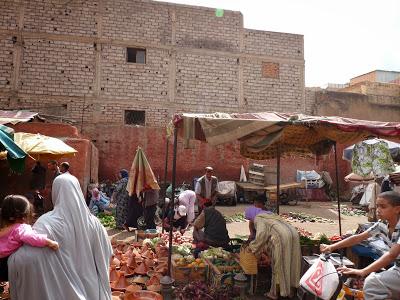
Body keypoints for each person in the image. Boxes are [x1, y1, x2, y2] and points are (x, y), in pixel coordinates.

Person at [8, 172, 112, 300]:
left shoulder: (47, 222)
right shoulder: (95, 223)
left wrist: (13, 258)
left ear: (56, 192)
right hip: (93, 289)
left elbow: (29, 258)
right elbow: (107, 253)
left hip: (61, 291)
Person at [321, 191, 400, 299]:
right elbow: (358, 238)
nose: (378, 210)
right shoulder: (382, 224)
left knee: (372, 283)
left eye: (383, 206)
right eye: (377, 206)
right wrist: (332, 247)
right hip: (397, 268)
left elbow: (392, 255)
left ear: (397, 209)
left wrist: (363, 271)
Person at [0, 195, 59, 282]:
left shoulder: (4, 228)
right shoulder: (20, 228)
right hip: (4, 264)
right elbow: (31, 237)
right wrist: (49, 242)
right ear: (25, 215)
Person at [248, 212, 301, 299]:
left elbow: (261, 235)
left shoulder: (258, 219)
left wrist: (252, 246)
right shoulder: (270, 216)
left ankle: (274, 293)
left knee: (278, 264)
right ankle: (291, 291)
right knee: (291, 262)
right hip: (294, 234)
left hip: (282, 237)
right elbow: (267, 239)